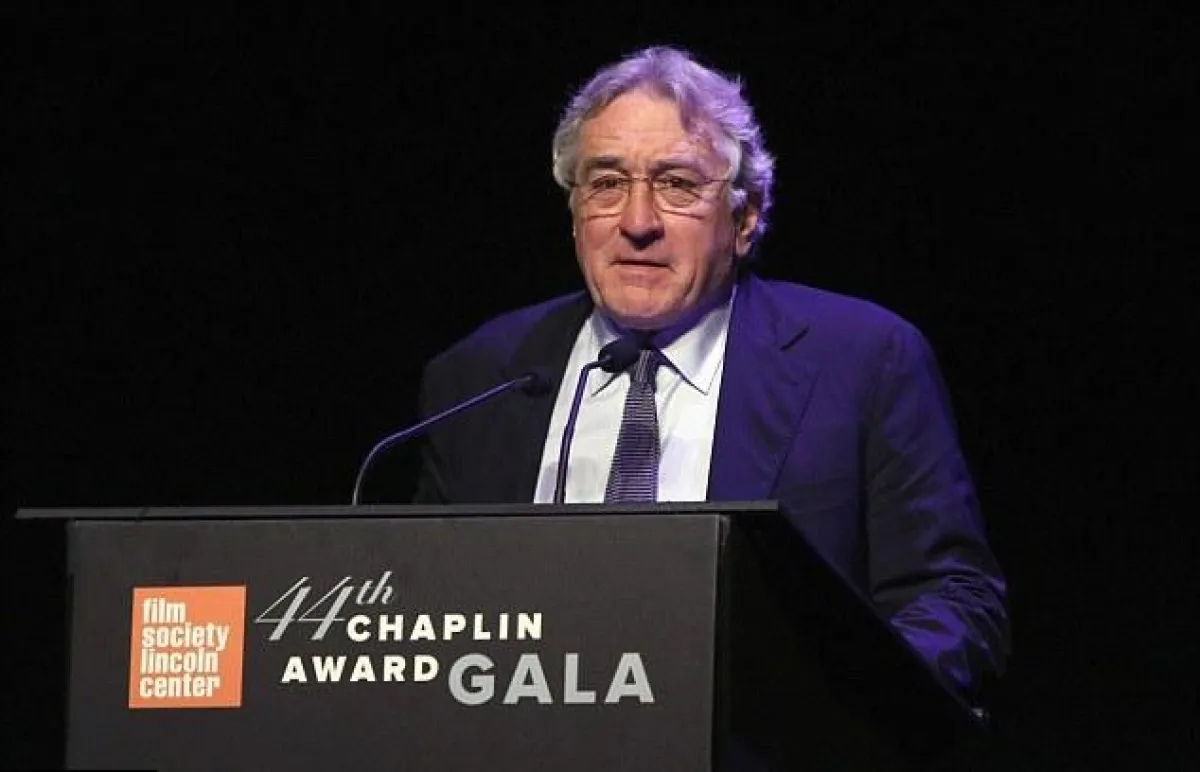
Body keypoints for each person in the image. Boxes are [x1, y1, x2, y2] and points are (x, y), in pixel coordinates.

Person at [413, 45, 1009, 702]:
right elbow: (428, 617)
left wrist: (829, 707)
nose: (638, 223)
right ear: (574, 209)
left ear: (745, 218)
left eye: (677, 184)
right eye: (607, 183)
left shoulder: (865, 361)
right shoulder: (478, 377)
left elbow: (954, 600)